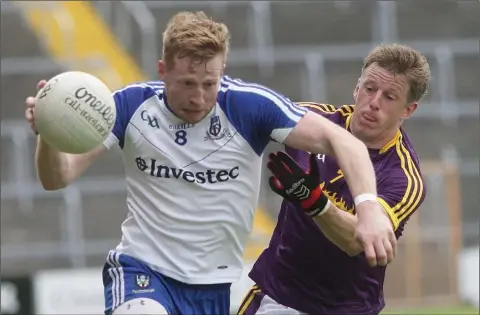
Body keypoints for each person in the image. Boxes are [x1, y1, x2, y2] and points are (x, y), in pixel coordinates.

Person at [25, 11, 394, 315]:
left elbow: (341, 140)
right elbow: (58, 177)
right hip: (143, 269)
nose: (199, 97)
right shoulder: (129, 105)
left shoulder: (249, 106)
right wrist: (50, 133)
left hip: (216, 287)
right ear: (162, 70)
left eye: (209, 83)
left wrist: (369, 209)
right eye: (187, 83)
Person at [238, 44, 430, 315]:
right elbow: (244, 116)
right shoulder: (311, 120)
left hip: (345, 308)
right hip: (278, 295)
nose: (374, 102)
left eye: (389, 96)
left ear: (408, 110)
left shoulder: (403, 178)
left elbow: (359, 241)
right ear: (356, 88)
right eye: (369, 88)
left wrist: (314, 201)